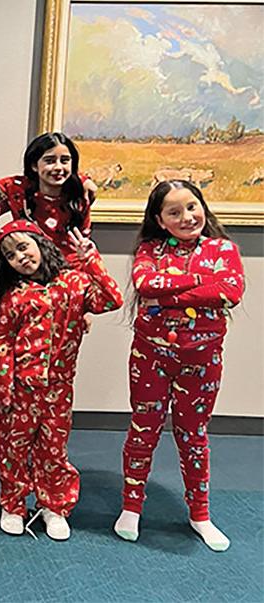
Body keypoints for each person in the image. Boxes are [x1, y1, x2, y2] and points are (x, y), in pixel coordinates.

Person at [114, 180, 244, 552]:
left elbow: (229, 292)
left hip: (201, 361)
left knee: (194, 436)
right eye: (174, 212)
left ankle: (200, 514)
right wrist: (203, 284)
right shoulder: (149, 249)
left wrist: (170, 289)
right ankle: (131, 507)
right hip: (151, 357)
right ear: (160, 219)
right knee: (143, 429)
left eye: (192, 206)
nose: (187, 217)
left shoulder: (224, 249)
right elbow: (145, 283)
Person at [0, 219, 122, 540]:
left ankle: (54, 506)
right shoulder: (14, 295)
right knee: (13, 450)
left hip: (59, 388)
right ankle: (12, 504)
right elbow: (2, 341)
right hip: (20, 388)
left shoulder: (74, 283)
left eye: (23, 246)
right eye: (10, 255)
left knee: (53, 450)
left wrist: (91, 259)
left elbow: (112, 299)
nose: (19, 257)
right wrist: (2, 388)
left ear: (41, 243)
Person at [0, 132, 93, 265]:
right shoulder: (17, 189)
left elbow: (84, 247)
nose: (58, 167)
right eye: (49, 161)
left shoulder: (79, 195)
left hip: (70, 273)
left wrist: (83, 179)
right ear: (34, 166)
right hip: (28, 270)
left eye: (65, 160)